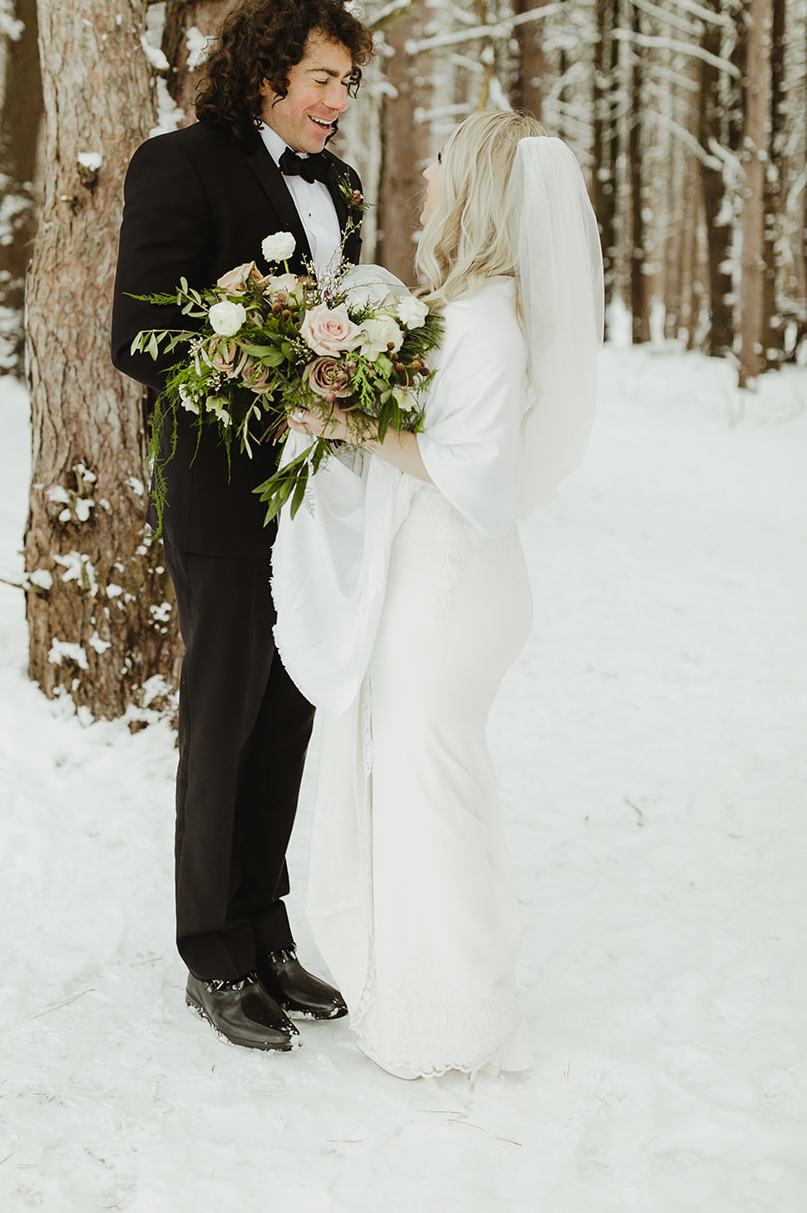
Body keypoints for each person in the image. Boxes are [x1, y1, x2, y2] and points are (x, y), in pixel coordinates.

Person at [273, 110, 604, 1079]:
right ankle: (445, 988)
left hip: (450, 591)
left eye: (446, 164)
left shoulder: (485, 326)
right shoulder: (474, 307)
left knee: (428, 793)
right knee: (431, 788)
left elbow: (474, 477)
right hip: (439, 577)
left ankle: (447, 1018)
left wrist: (338, 419)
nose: (428, 173)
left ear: (481, 191)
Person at [111, 0, 375, 1052]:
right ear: (266, 71)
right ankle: (209, 950)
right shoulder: (175, 164)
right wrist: (250, 345)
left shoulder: (340, 187)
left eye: (348, 83)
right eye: (322, 80)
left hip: (315, 488)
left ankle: (265, 928)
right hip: (220, 484)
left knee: (291, 702)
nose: (337, 104)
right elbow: (137, 336)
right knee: (224, 707)